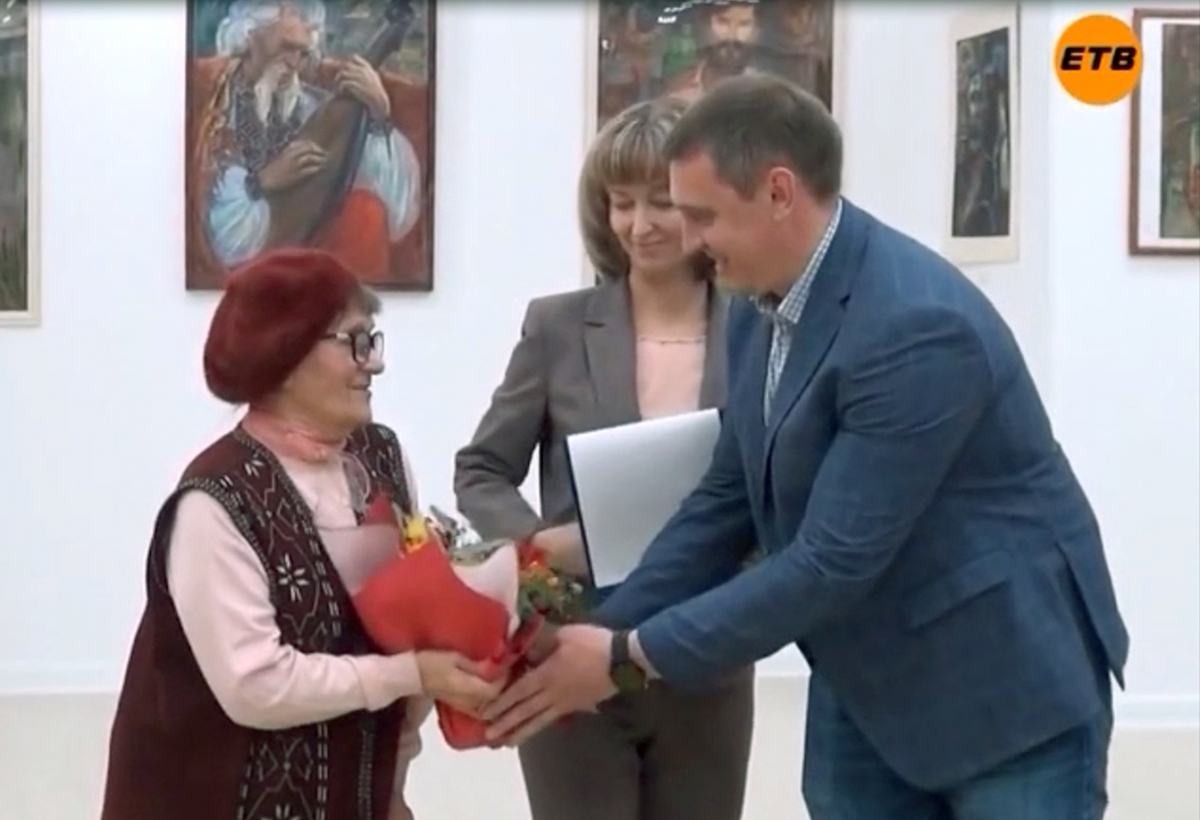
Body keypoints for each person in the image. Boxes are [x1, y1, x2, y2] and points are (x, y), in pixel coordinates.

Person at [484, 75, 1130, 820]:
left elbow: (830, 560)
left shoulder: (915, 326)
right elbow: (726, 500)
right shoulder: (757, 304)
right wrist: (602, 630)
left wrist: (626, 657)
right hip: (865, 677)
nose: (688, 240)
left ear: (778, 193)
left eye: (702, 215)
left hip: (1003, 689)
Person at [100, 249, 502, 820]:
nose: (374, 364)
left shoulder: (379, 458)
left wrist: (392, 789)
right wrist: (409, 674)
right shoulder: (216, 497)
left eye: (372, 340)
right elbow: (255, 684)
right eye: (355, 342)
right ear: (286, 356)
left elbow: (403, 633)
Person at [454, 98, 754, 820]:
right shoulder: (556, 327)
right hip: (568, 648)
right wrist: (538, 550)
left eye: (661, 202)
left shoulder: (758, 328)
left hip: (705, 651)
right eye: (622, 203)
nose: (640, 224)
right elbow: (481, 470)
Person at [189, 0, 422, 280]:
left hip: (314, 257)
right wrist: (260, 182)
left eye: (303, 53)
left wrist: (379, 115)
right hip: (244, 270)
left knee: (365, 212)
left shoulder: (316, 110)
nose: (294, 63)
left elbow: (399, 214)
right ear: (249, 37)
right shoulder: (213, 107)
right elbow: (220, 239)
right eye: (286, 47)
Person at [664, 1, 759, 104]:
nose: (731, 36)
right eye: (722, 22)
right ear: (706, 24)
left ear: (756, 31)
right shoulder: (677, 87)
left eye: (744, 24)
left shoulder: (764, 93)